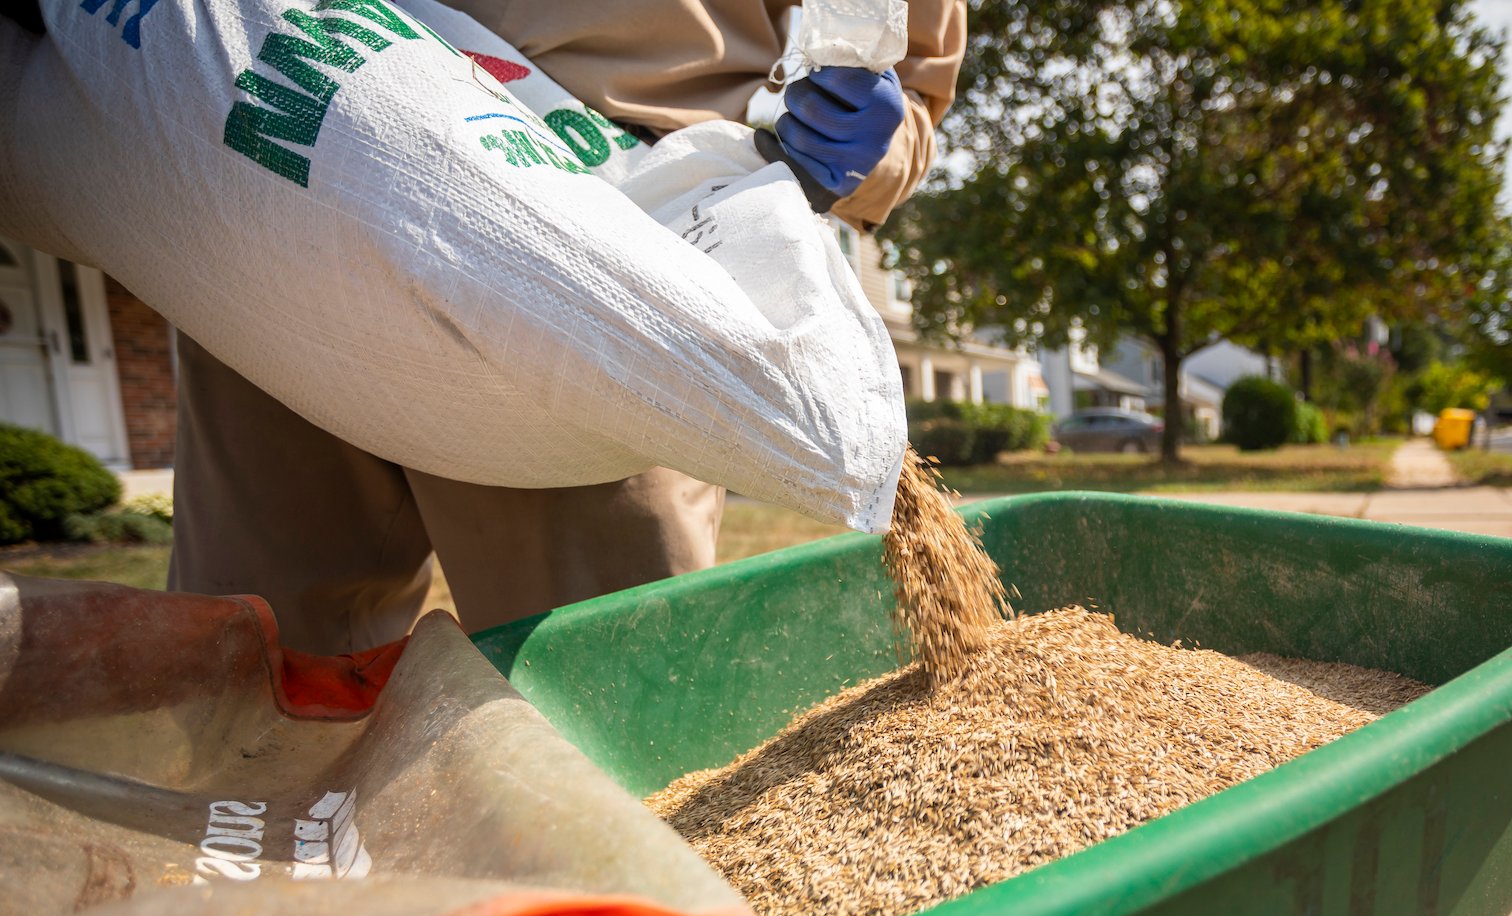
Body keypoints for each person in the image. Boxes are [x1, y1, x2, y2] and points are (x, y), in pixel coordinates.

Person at [169, 0, 967, 655]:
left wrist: (867, 142)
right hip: (287, 156)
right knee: (251, 672)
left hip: (607, 253)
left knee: (607, 709)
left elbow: (909, 90)